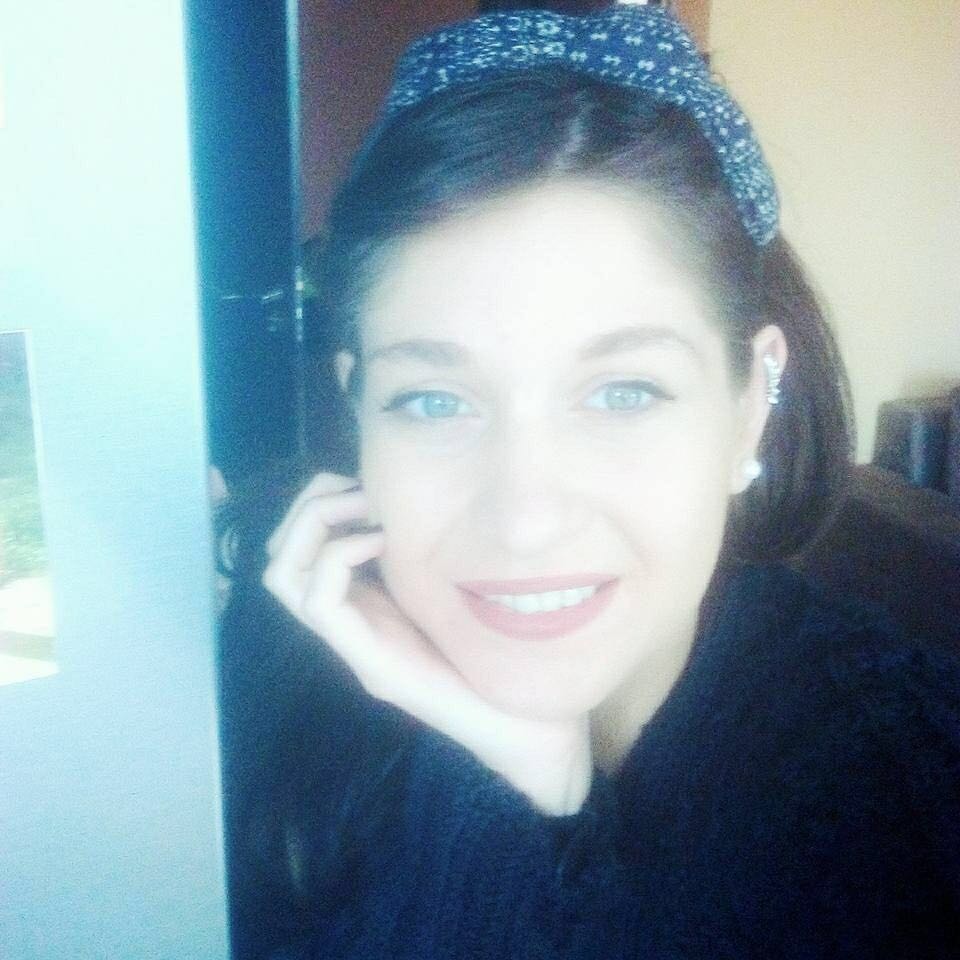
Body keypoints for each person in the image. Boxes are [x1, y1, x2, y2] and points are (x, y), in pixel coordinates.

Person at [218, 5, 960, 958]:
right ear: (358, 404)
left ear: (750, 403)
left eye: (623, 393)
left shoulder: (903, 806)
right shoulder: (264, 676)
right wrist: (521, 777)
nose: (526, 520)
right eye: (435, 401)